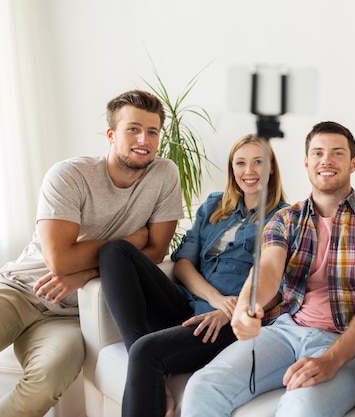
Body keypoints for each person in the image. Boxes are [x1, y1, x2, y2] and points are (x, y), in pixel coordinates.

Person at [180, 121, 355, 417]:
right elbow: (268, 271)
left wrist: (332, 359)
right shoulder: (286, 219)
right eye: (318, 153)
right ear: (307, 162)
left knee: (299, 407)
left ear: (353, 163)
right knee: (202, 385)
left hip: (342, 341)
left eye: (337, 153)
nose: (326, 160)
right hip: (283, 332)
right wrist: (247, 305)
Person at [0, 90, 183, 417]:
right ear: (111, 134)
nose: (144, 139)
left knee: (46, 381)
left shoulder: (163, 175)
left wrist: (86, 274)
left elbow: (154, 252)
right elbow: (59, 261)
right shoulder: (70, 175)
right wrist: (129, 239)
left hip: (68, 316)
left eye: (152, 131)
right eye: (133, 129)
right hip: (19, 290)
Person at [98, 134, 288, 417]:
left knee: (145, 352)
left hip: (225, 322)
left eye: (258, 162)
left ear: (272, 167)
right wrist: (215, 296)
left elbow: (277, 286)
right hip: (189, 304)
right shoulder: (214, 205)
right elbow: (183, 264)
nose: (249, 171)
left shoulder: (285, 218)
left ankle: (144, 361)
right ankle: (143, 359)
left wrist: (228, 309)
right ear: (232, 169)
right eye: (241, 163)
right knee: (115, 251)